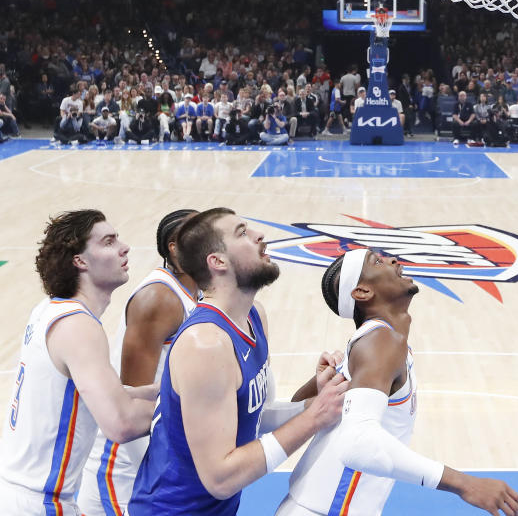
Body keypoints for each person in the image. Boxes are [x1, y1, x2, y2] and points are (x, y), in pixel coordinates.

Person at [127, 208, 347, 515]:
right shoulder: (205, 343)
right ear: (217, 262)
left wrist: (314, 403)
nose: (260, 235)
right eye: (242, 232)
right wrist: (312, 420)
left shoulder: (254, 317)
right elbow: (221, 478)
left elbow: (252, 419)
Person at [275, 249, 518, 516]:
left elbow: (298, 408)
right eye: (377, 262)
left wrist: (323, 379)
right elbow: (359, 444)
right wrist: (465, 483)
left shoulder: (372, 341)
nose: (392, 260)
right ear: (362, 293)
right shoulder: (380, 343)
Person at [0, 210, 158, 515]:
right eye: (109, 242)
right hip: (40, 501)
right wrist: (189, 408)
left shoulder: (48, 309)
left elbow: (83, 395)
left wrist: (156, 391)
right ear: (80, 261)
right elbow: (120, 423)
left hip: (19, 492)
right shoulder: (78, 326)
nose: (125, 247)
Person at [77, 210, 201, 516]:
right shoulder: (158, 299)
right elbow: (128, 401)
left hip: (157, 451)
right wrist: (159, 479)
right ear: (175, 247)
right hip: (125, 469)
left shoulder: (192, 293)